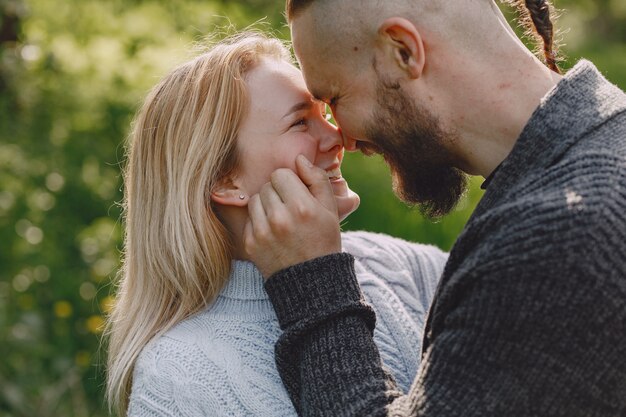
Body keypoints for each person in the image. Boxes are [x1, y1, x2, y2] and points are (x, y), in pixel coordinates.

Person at [242, 0, 626, 416]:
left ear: (404, 51)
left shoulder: (556, 239)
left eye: (335, 98)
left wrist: (311, 282)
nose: (344, 140)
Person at [104, 32, 449, 417]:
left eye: (326, 114)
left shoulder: (397, 264)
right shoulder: (177, 375)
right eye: (301, 122)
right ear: (225, 180)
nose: (338, 137)